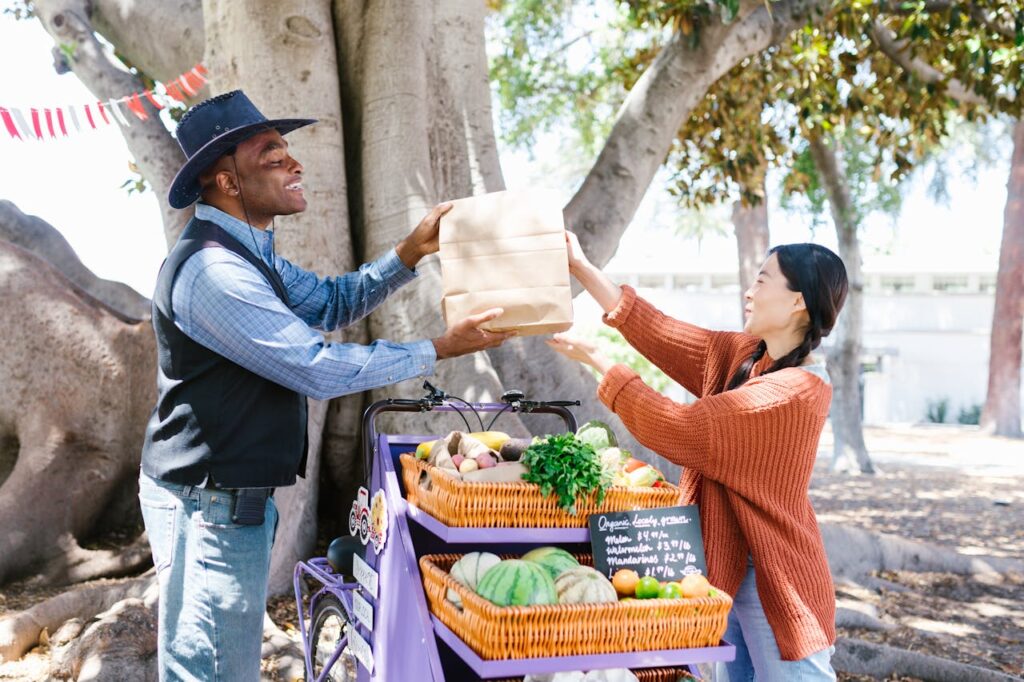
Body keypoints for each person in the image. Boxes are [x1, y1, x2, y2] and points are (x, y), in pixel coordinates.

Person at [138, 90, 512, 681]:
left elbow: (333, 301)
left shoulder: (250, 254)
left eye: (289, 150)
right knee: (211, 672)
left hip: (230, 500)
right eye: (272, 155)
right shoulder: (215, 270)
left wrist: (411, 251)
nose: (295, 163)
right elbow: (312, 366)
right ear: (226, 181)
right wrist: (438, 348)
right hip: (205, 504)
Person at [549, 232, 848, 681]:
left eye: (763, 281)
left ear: (798, 303)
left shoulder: (794, 392)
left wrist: (599, 361)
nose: (750, 291)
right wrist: (581, 266)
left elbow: (684, 430)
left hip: (777, 579)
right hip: (728, 560)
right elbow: (661, 332)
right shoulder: (748, 356)